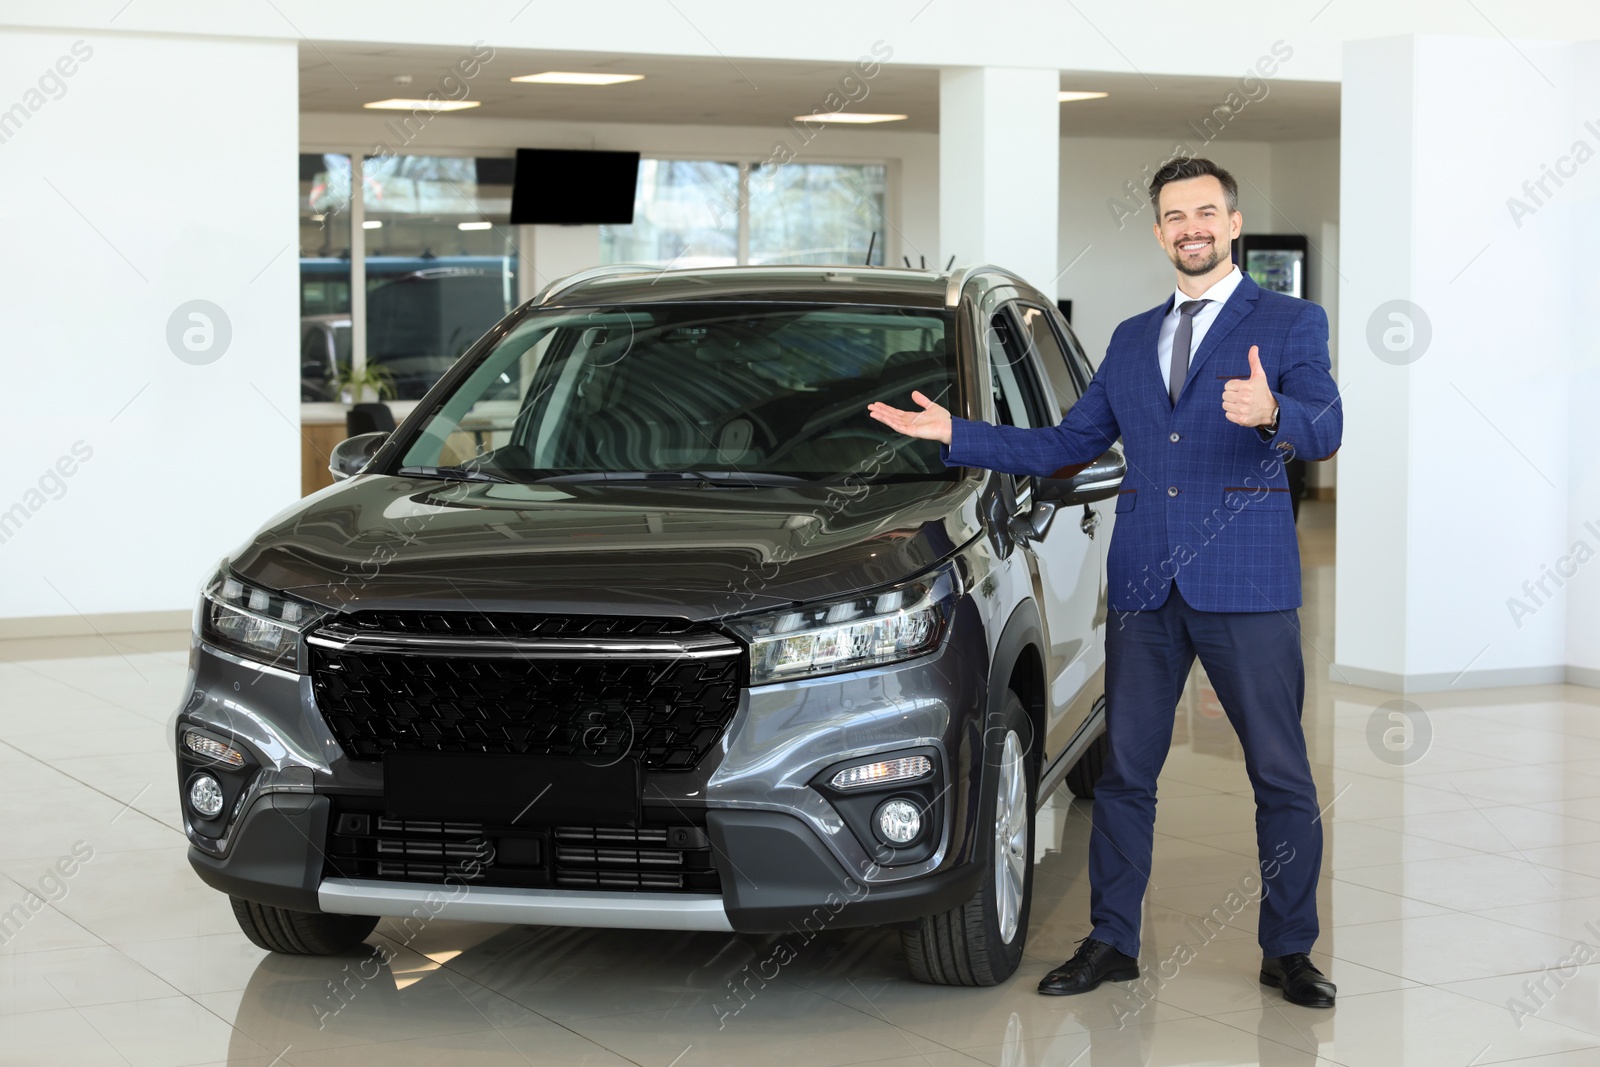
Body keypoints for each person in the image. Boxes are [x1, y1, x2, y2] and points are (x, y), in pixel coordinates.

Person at [866, 157, 1342, 1008]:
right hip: (1145, 588)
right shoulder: (1130, 338)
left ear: (1232, 223)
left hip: (1249, 585)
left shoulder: (1292, 321)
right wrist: (958, 433)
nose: (1191, 227)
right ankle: (1112, 940)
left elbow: (1327, 426)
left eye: (1206, 211)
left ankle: (1290, 950)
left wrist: (1274, 413)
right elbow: (1064, 445)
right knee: (1124, 774)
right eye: (1174, 215)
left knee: (1281, 774)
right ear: (1159, 232)